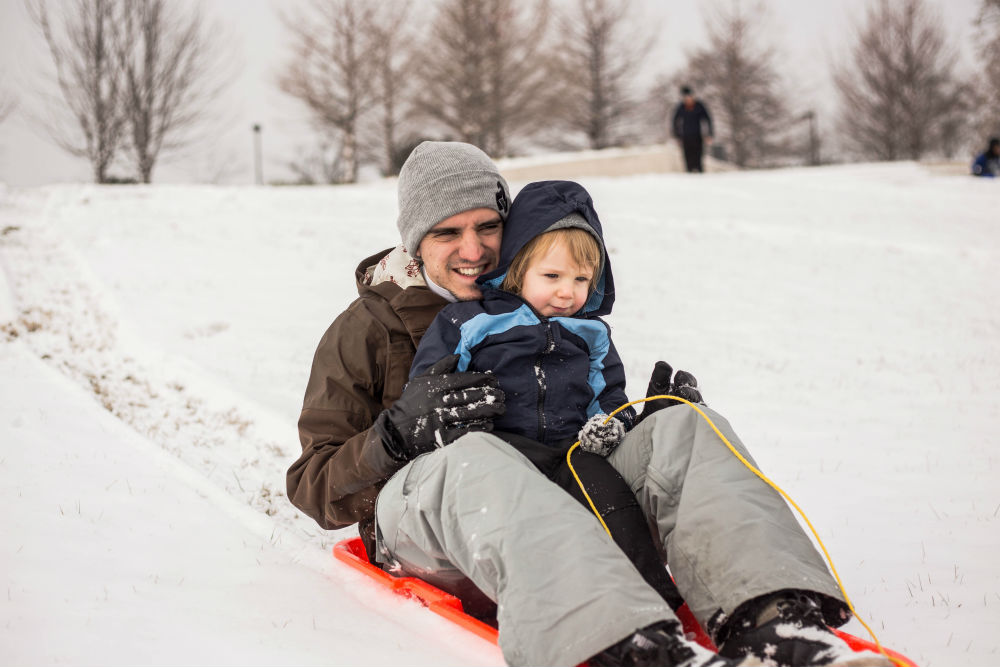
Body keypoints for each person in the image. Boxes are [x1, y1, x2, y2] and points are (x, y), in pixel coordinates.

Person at [287, 140, 893, 667]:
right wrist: (393, 437)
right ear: (417, 242)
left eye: (487, 227)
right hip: (430, 527)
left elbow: (590, 426)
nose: (473, 249)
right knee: (477, 459)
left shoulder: (546, 303)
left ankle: (776, 622)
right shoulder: (369, 327)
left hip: (558, 507)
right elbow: (312, 487)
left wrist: (638, 424)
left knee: (680, 430)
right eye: (447, 232)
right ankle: (634, 649)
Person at [408, 179, 693, 612]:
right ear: (519, 268)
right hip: (499, 452)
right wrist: (450, 423)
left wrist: (616, 425)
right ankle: (515, 604)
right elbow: (428, 389)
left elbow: (607, 395)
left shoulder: (591, 333)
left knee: (609, 497)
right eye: (553, 276)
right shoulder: (470, 321)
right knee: (526, 518)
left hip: (568, 454)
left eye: (582, 279)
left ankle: (653, 598)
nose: (568, 292)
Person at [672, 86, 714, 173]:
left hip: (697, 136)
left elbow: (707, 119)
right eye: (686, 97)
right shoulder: (681, 107)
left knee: (698, 157)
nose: (688, 99)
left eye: (689, 97)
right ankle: (690, 175)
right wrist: (677, 136)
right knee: (688, 158)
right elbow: (675, 121)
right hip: (685, 136)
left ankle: (700, 174)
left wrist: (709, 134)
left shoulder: (699, 106)